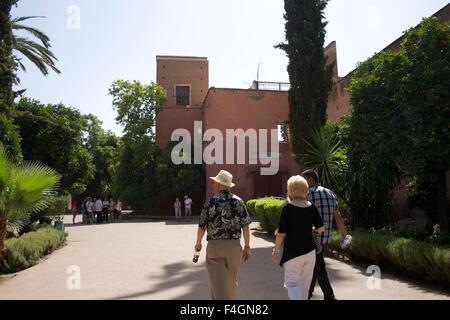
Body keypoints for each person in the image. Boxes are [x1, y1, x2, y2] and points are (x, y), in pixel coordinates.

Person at [194, 170, 251, 300]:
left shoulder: (210, 202)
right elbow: (246, 226)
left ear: (219, 184)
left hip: (215, 247)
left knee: (217, 283)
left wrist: (198, 243)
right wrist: (247, 246)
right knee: (230, 282)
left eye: (215, 182)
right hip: (234, 247)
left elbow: (202, 225)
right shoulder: (239, 201)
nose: (213, 184)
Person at [272, 175, 325, 300]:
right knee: (305, 286)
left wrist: (276, 250)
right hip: (310, 252)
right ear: (305, 189)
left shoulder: (287, 209)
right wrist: (311, 229)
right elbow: (321, 228)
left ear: (290, 190)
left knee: (291, 284)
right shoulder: (311, 207)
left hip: (293, 253)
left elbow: (281, 233)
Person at [301, 170, 349, 300]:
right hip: (325, 238)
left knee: (318, 267)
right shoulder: (330, 193)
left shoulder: (306, 194)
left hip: (310, 238)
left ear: (310, 179)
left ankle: (329, 296)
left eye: (303, 179)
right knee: (315, 265)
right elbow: (338, 217)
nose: (302, 182)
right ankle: (307, 294)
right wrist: (344, 235)